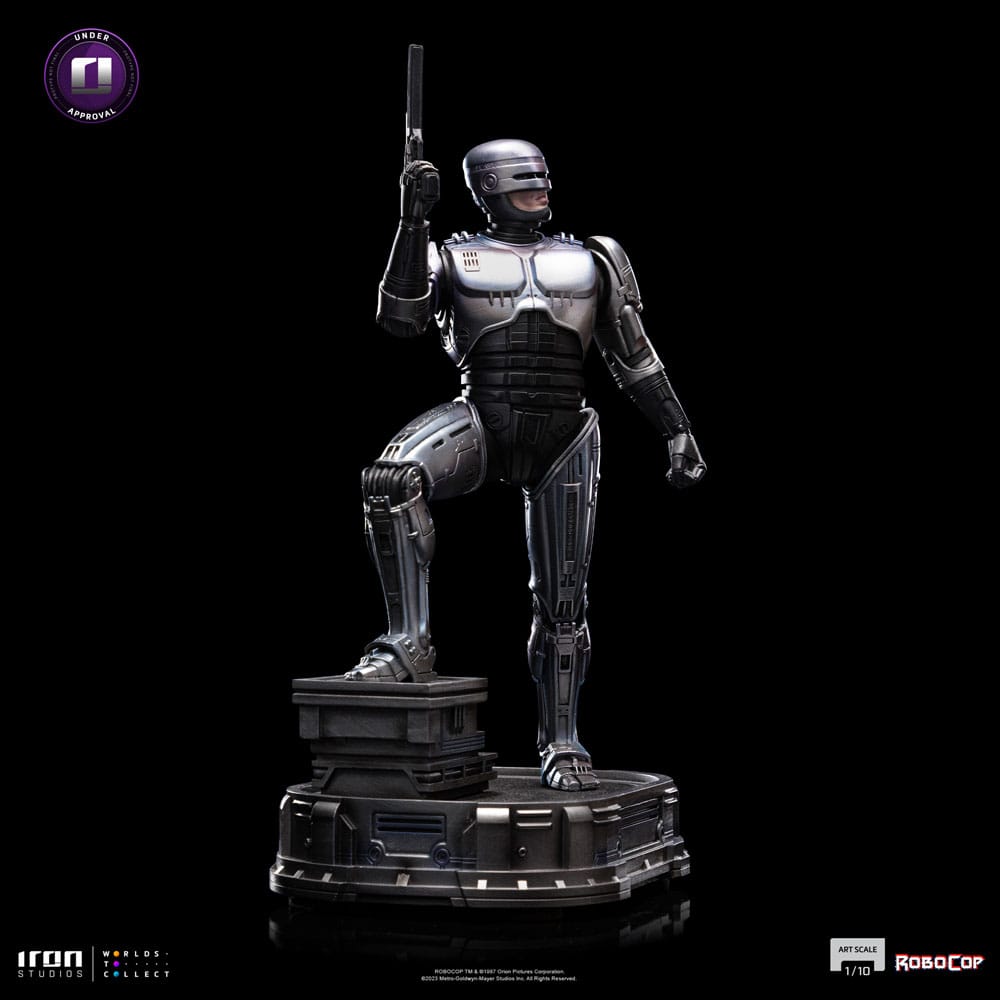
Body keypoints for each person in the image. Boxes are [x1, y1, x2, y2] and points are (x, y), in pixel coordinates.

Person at [346, 139, 706, 792]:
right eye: (523, 181)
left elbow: (634, 356)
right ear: (487, 187)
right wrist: (412, 221)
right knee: (391, 481)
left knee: (564, 604)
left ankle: (562, 741)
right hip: (484, 419)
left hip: (565, 434)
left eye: (542, 178)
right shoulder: (450, 255)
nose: (540, 189)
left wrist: (676, 428)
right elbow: (400, 318)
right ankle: (407, 645)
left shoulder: (592, 259)